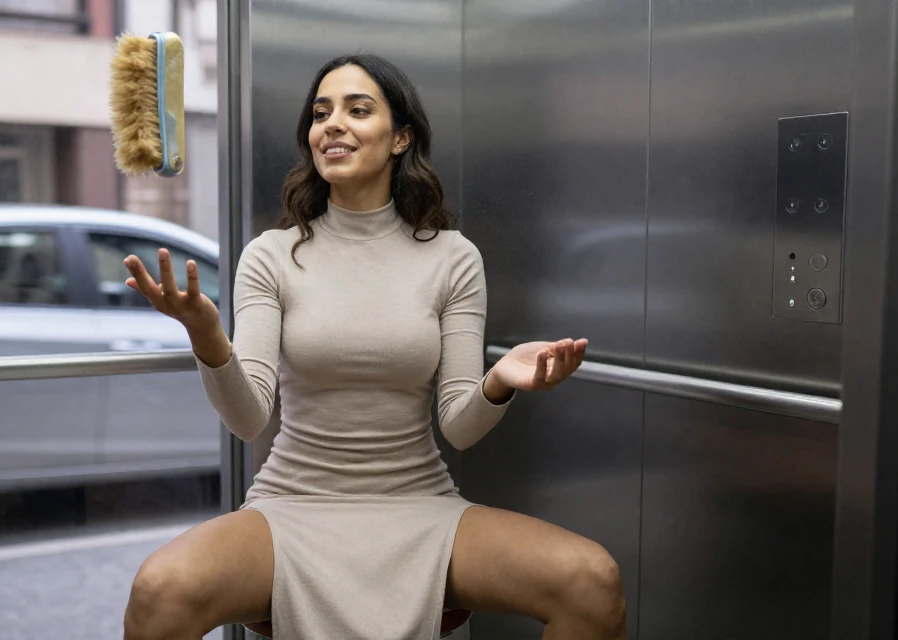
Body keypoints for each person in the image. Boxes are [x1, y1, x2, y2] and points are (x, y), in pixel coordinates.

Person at [121, 53, 626, 640]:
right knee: (160, 590)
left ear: (400, 138)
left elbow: (459, 427)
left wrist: (497, 382)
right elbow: (248, 417)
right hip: (294, 505)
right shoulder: (270, 256)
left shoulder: (453, 258)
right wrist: (207, 337)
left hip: (418, 504)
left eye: (357, 110)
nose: (331, 124)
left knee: (591, 579)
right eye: (320, 113)